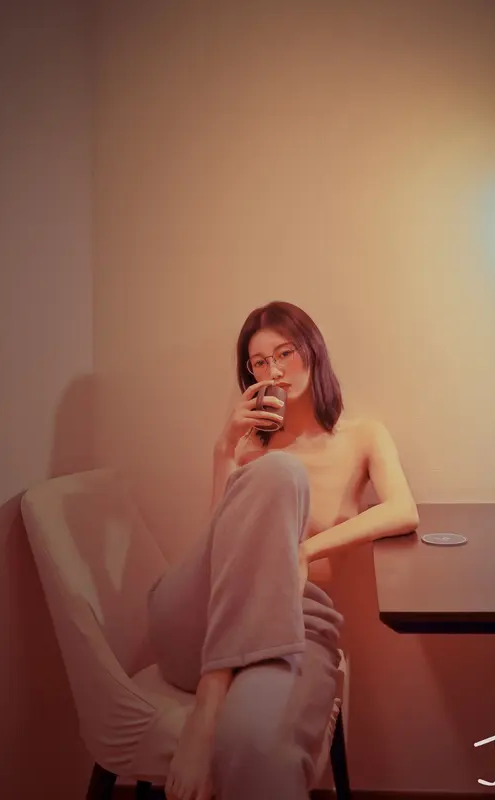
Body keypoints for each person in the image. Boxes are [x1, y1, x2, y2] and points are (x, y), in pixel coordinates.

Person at [147, 300, 419, 800]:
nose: (273, 370)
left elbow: (403, 510)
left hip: (294, 621)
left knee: (255, 744)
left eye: (284, 354)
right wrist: (224, 449)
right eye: (259, 362)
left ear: (312, 351)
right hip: (198, 622)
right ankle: (211, 694)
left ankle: (221, 698)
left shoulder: (362, 435)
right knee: (278, 470)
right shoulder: (251, 450)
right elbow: (218, 550)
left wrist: (303, 552)